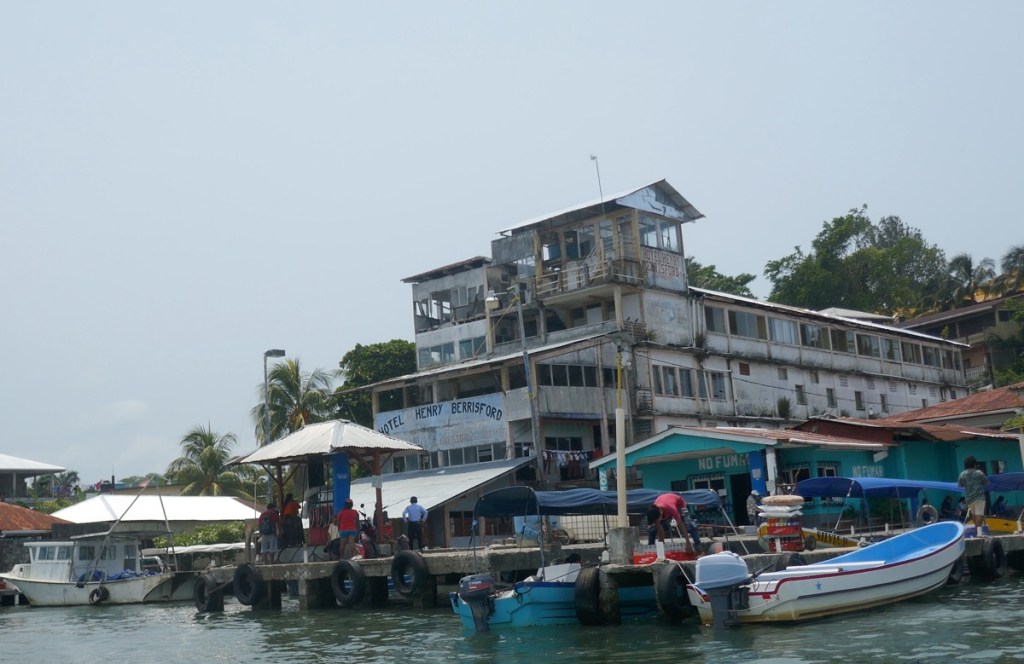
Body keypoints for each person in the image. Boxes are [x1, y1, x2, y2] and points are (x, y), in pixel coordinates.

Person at [958, 455, 989, 536]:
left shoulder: (962, 474)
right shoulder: (978, 473)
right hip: (979, 497)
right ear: (974, 464)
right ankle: (979, 533)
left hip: (969, 498)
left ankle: (977, 532)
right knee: (979, 514)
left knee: (974, 515)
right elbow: (986, 482)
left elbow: (960, 485)